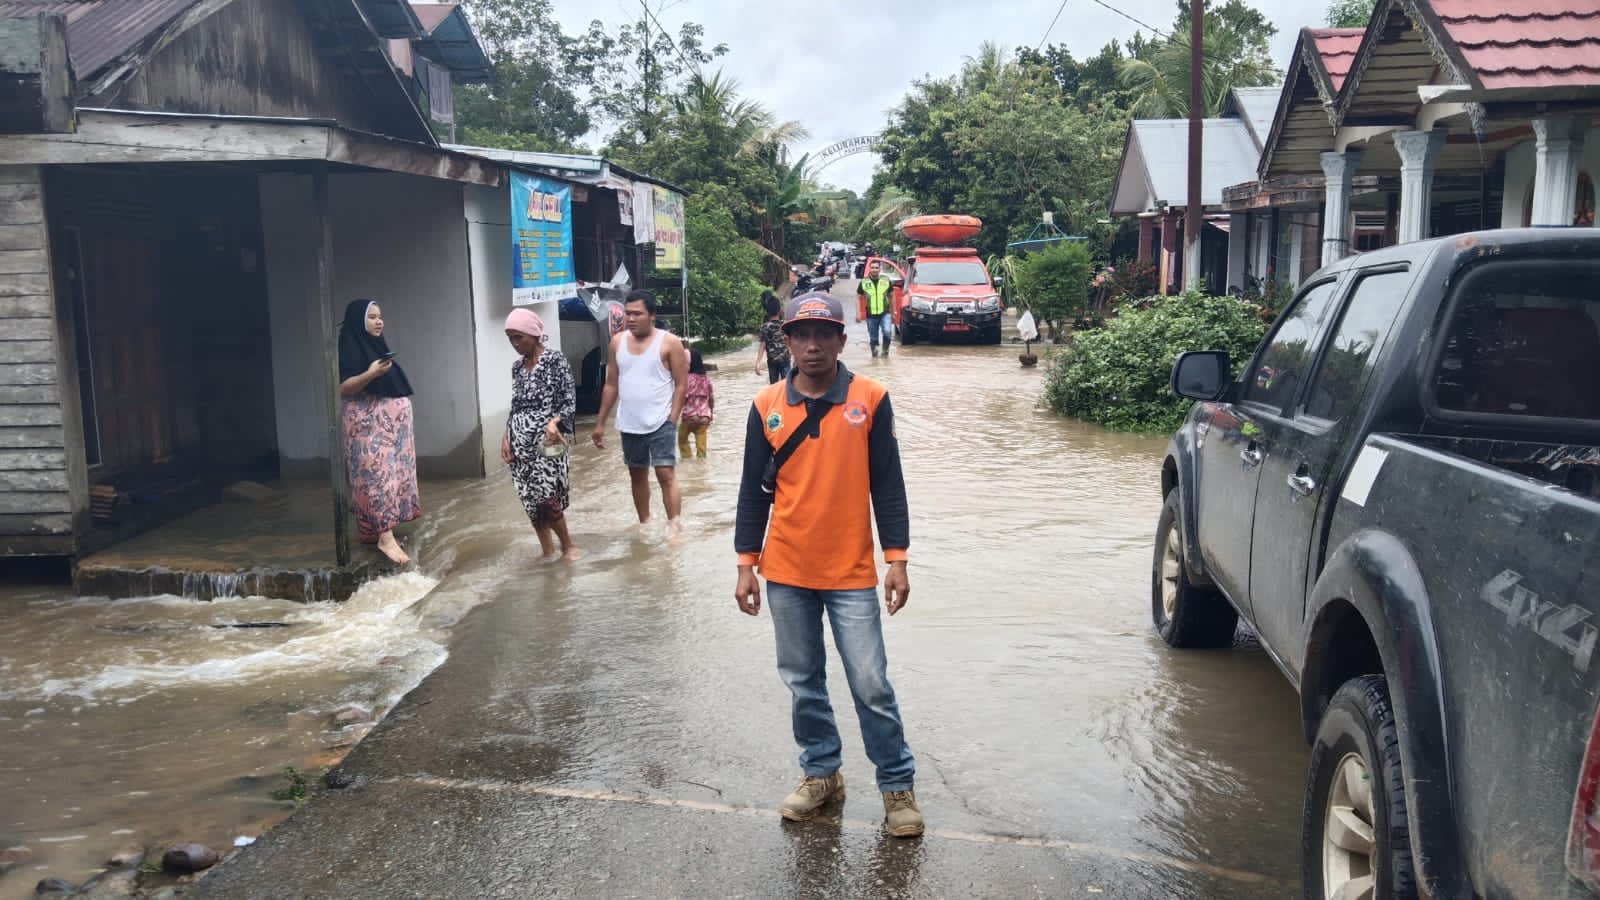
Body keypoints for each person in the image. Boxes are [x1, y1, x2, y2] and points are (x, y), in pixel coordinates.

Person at [732, 291, 922, 839]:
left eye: (823, 335)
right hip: (786, 570)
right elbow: (752, 493)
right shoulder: (765, 405)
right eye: (801, 335)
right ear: (787, 340)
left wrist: (897, 559)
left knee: (870, 682)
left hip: (851, 573)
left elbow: (888, 485)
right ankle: (821, 774)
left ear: (841, 340)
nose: (812, 345)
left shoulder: (871, 398)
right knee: (803, 681)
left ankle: (896, 785)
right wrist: (746, 563)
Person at [590, 289, 689, 536]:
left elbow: (681, 385)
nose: (631, 319)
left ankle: (674, 525)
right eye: (628, 314)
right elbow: (611, 385)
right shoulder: (617, 343)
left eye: (638, 314)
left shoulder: (669, 343)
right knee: (637, 474)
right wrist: (600, 422)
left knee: (665, 474)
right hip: (629, 422)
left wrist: (672, 419)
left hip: (661, 421)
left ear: (652, 315)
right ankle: (645, 524)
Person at [336, 298, 421, 565]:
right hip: (368, 427)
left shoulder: (376, 347)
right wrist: (371, 374)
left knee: (392, 476)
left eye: (380, 316)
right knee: (375, 476)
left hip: (390, 430)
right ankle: (385, 538)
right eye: (372, 317)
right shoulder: (349, 348)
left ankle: (375, 531)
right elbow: (344, 388)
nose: (379, 322)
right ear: (358, 321)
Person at [500, 308, 581, 563]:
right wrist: (505, 437)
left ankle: (568, 546)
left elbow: (569, 401)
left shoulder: (556, 360)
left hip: (548, 439)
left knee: (547, 496)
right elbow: (515, 406)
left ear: (534, 334)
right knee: (529, 499)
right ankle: (547, 551)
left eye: (519, 337)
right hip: (519, 440)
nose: (515, 344)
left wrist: (555, 422)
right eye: (510, 338)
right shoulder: (517, 368)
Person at [678, 348, 714, 460]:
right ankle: (701, 465)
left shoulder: (686, 379)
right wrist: (711, 412)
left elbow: (682, 398)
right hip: (704, 418)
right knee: (701, 447)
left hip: (689, 417)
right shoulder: (706, 379)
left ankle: (687, 460)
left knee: (682, 440)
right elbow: (711, 398)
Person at [857, 260, 895, 357]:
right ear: (869, 269)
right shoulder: (864, 282)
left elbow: (891, 296)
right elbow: (858, 297)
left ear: (879, 269)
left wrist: (893, 312)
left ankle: (885, 352)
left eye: (876, 268)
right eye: (872, 268)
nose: (874, 270)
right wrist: (858, 313)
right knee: (873, 339)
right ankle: (875, 356)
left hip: (885, 313)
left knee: (887, 333)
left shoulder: (886, 280)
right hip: (871, 315)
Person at [754, 291, 791, 383]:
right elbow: (789, 342)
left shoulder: (765, 327)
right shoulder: (785, 324)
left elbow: (762, 346)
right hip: (785, 359)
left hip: (772, 361)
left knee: (774, 386)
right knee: (787, 385)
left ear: (767, 311)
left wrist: (758, 363)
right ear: (779, 310)